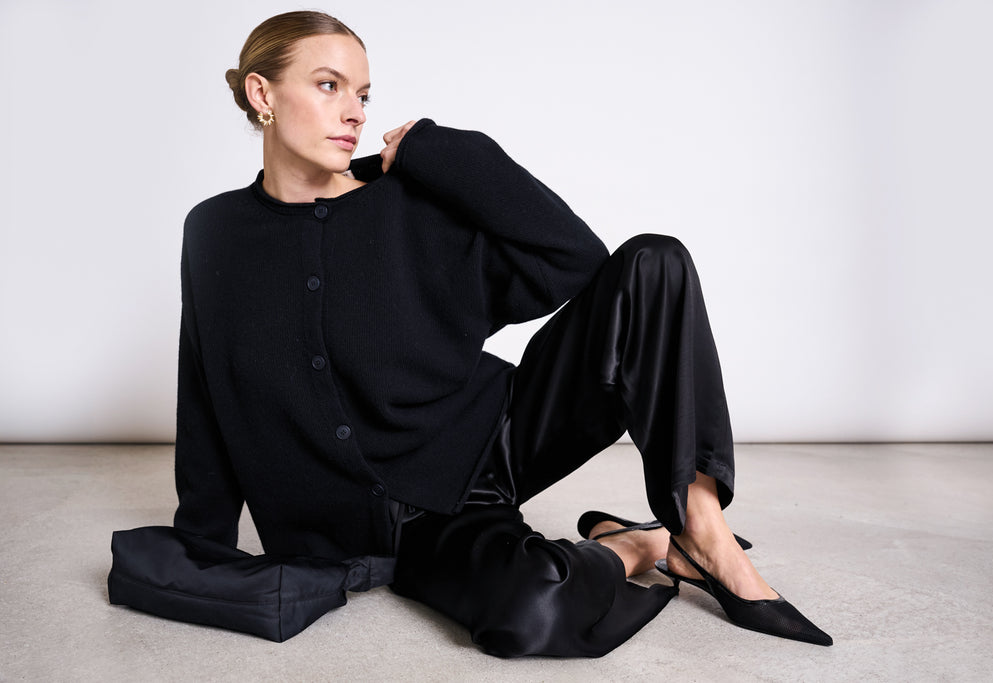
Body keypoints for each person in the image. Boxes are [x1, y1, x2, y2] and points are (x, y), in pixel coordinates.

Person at [109, 10, 831, 656]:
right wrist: (200, 555)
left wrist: (436, 150)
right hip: (405, 531)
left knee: (655, 263)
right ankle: (638, 544)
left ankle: (699, 526)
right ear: (263, 95)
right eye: (329, 86)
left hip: (493, 445)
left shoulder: (406, 202)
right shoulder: (215, 233)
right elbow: (204, 387)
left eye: (363, 94)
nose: (353, 111)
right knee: (529, 609)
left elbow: (573, 258)